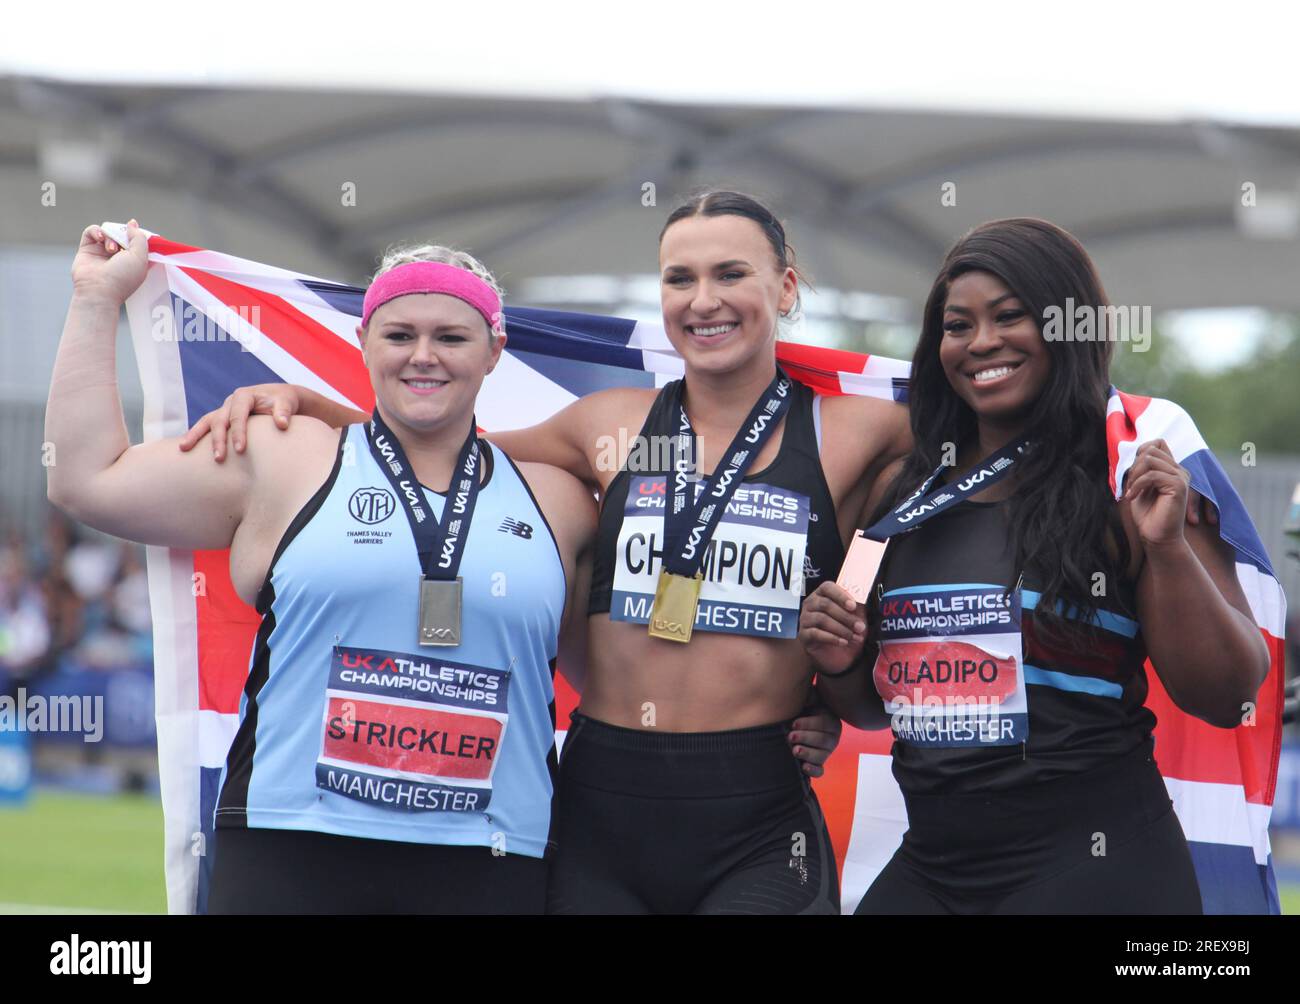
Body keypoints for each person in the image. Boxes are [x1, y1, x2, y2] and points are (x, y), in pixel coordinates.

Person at [180, 190, 912, 913]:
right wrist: (305, 403)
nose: (703, 300)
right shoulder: (612, 426)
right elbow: (449, 453)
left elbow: (978, 470)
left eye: (731, 274)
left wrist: (834, 687)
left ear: (784, 288)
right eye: (679, 279)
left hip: (758, 809)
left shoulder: (859, 433)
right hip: (601, 805)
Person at [46, 221, 596, 914]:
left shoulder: (560, 500)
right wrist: (97, 300)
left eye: (452, 337)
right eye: (399, 336)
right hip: (291, 847)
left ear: (495, 352)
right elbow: (86, 481)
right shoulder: (286, 456)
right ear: (363, 343)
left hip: (492, 857)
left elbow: (616, 680)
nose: (423, 356)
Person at [800, 218, 1271, 914]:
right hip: (933, 867)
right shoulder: (899, 496)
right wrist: (840, 661)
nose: (982, 341)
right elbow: (875, 707)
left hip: (1095, 868)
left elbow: (1227, 694)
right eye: (958, 325)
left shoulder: (1128, 477)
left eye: (1009, 316)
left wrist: (1168, 549)